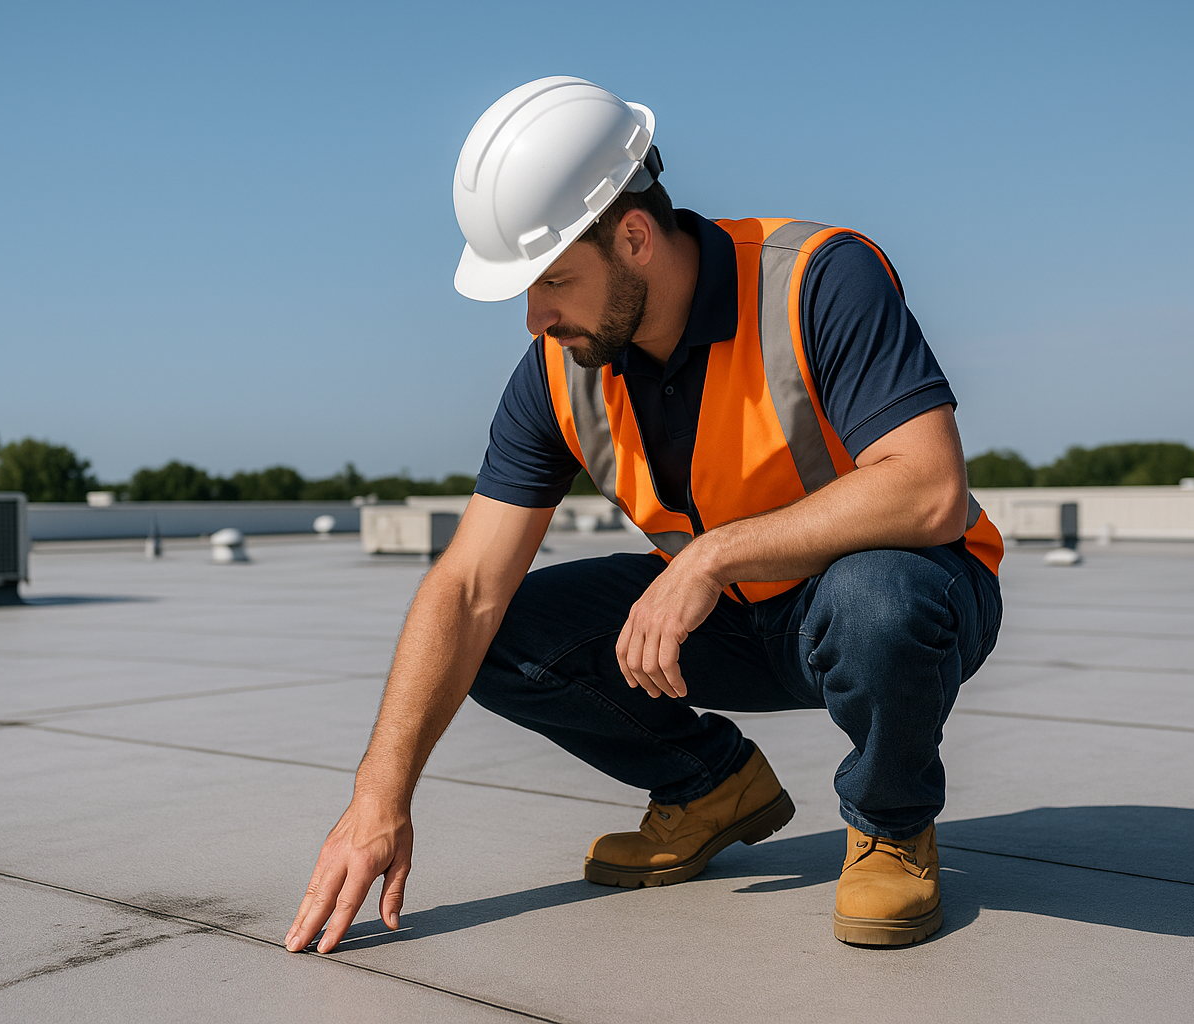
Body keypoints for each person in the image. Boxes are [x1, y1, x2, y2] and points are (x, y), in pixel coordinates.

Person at [284, 76, 1003, 954]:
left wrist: (707, 560)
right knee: (496, 633)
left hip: (895, 603)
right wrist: (379, 796)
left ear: (634, 237)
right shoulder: (558, 370)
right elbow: (467, 586)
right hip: (741, 624)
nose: (534, 317)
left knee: (879, 600)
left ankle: (892, 825)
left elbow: (928, 487)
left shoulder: (815, 278)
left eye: (552, 279)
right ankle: (706, 787)